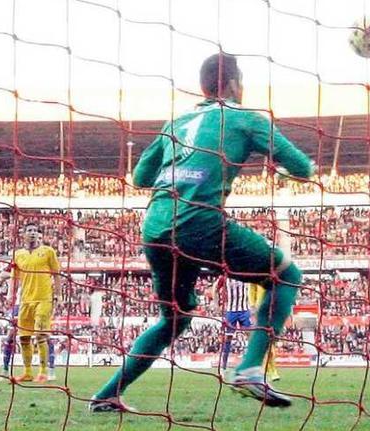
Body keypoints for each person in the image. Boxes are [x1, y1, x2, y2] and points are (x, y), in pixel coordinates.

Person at [90, 53, 314, 412]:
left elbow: (140, 178)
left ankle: (106, 395)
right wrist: (289, 170)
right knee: (286, 274)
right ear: (232, 84)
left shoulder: (175, 123)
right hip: (199, 221)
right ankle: (250, 368)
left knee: (174, 318)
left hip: (157, 226)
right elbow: (302, 167)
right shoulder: (244, 118)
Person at [1, 223, 61, 384]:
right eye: (30, 231)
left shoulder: (48, 252)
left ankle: (43, 372)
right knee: (24, 338)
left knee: (41, 335)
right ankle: (27, 372)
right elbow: (13, 277)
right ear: (24, 234)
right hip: (25, 301)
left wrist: (59, 294)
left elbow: (56, 274)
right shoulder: (18, 255)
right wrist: (10, 295)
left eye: (35, 231)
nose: (33, 233)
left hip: (44, 299)